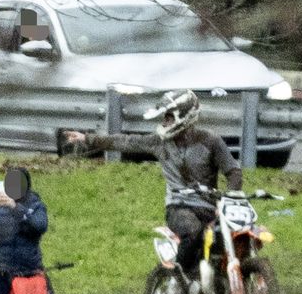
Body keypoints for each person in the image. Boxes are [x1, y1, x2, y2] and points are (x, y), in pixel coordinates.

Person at [64, 90, 242, 277]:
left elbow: (233, 171)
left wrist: (230, 197)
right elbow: (125, 141)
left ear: (185, 116)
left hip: (210, 207)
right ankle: (178, 279)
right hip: (179, 207)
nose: (165, 122)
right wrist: (87, 138)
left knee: (232, 234)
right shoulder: (158, 142)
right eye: (164, 118)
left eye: (169, 117)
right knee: (193, 231)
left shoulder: (211, 140)